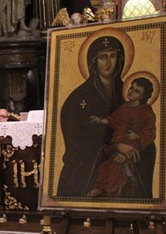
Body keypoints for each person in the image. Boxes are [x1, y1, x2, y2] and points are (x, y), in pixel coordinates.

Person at [57, 34, 142, 197]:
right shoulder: (77, 99)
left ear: (120, 59)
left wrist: (131, 145)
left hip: (126, 154)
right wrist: (113, 149)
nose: (108, 63)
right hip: (88, 165)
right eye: (103, 57)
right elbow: (76, 145)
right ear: (93, 62)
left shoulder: (128, 93)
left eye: (113, 56)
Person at [87, 77, 156, 198]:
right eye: (131, 88)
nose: (131, 92)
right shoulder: (124, 107)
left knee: (118, 165)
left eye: (136, 91)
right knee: (105, 166)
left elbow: (150, 131)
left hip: (133, 144)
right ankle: (100, 187)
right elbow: (113, 119)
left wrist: (138, 135)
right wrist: (100, 120)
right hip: (119, 141)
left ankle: (105, 188)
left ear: (142, 96)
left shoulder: (146, 110)